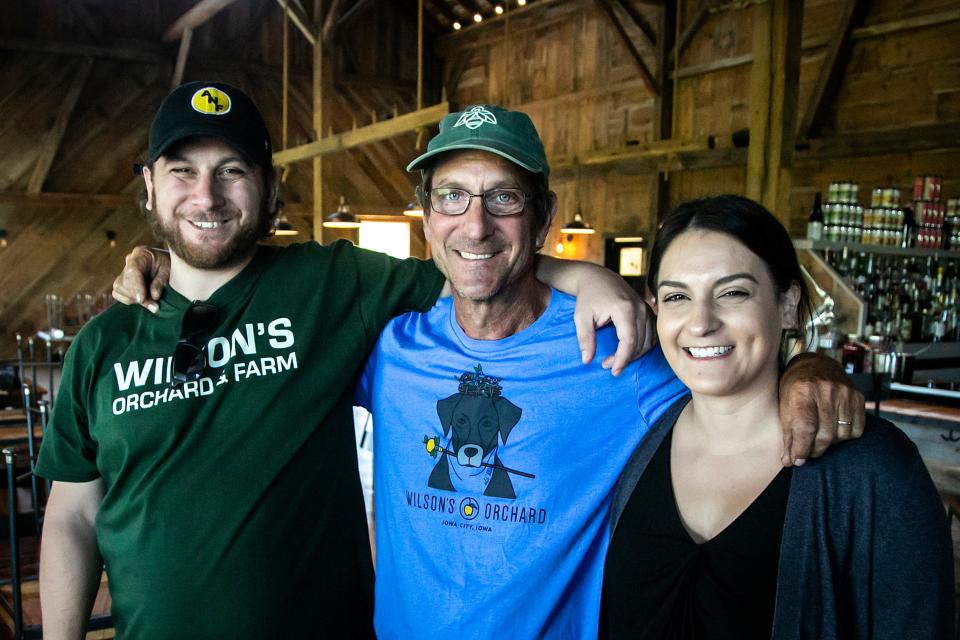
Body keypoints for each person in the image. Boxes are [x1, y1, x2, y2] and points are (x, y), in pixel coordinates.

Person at [113, 104, 864, 638]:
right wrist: (161, 268)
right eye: (453, 197)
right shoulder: (389, 347)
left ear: (541, 219)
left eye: (504, 199)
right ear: (427, 217)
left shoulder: (616, 353)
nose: (476, 225)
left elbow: (728, 375)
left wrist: (810, 367)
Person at [35, 82, 650, 639]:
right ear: (148, 185)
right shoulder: (103, 344)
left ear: (270, 186)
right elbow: (72, 514)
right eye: (182, 171)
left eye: (231, 170)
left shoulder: (333, 284)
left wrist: (586, 275)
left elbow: (475, 265)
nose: (206, 195)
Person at [601, 195, 954, 639]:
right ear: (655, 308)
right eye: (677, 296)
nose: (701, 322)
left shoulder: (873, 469)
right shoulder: (638, 436)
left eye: (732, 292)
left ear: (787, 305)